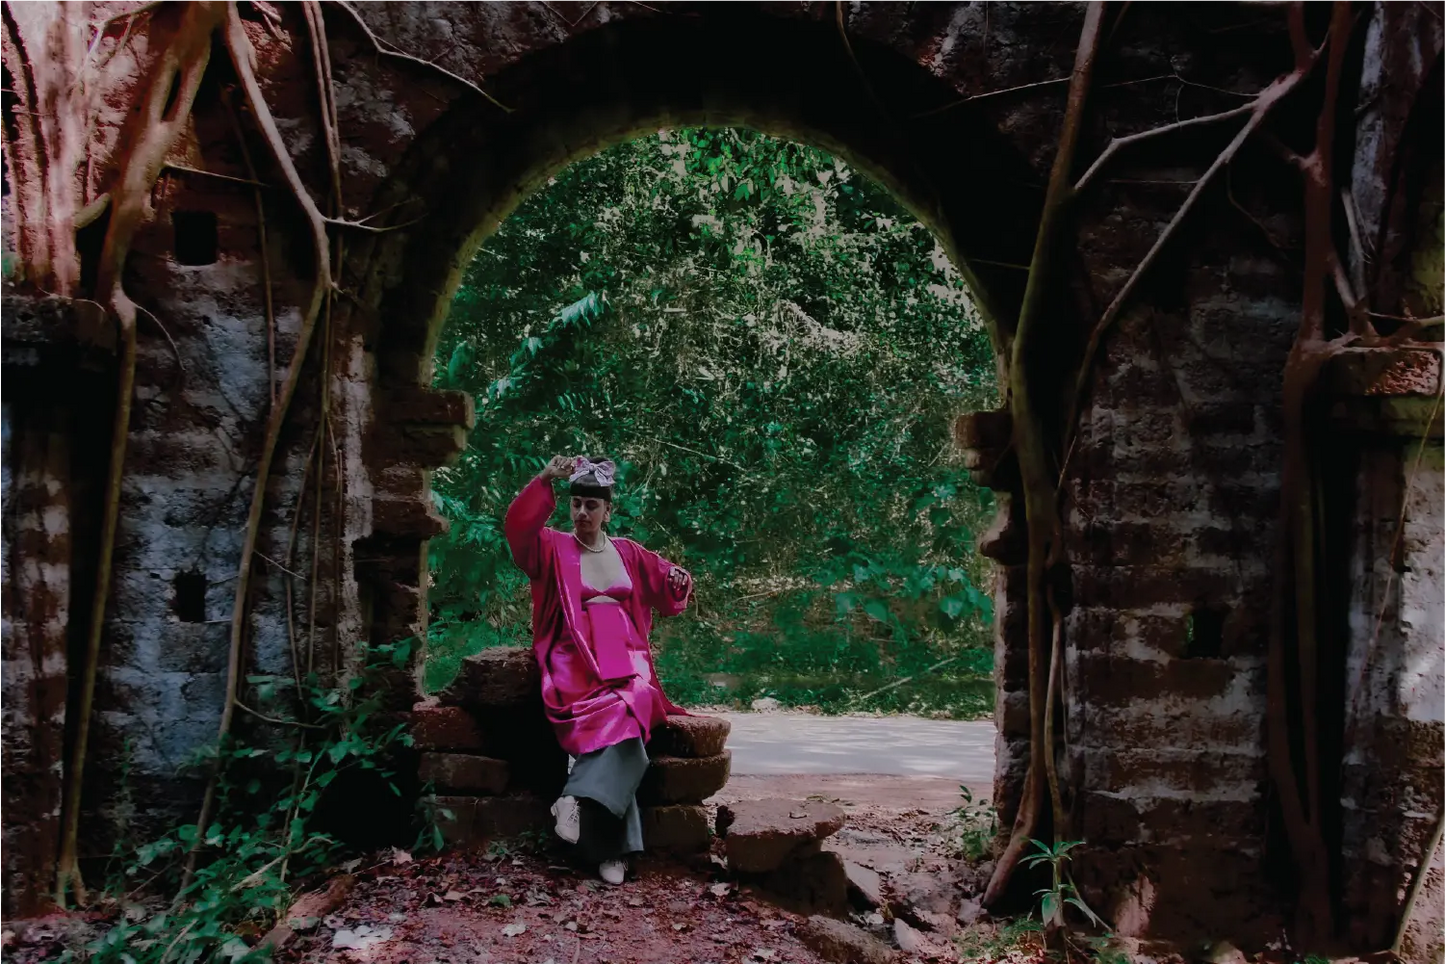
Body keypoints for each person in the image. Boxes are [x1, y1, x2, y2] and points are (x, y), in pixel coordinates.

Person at [504, 454, 693, 884]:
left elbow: (668, 586)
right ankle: (615, 852)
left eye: (592, 505)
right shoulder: (552, 547)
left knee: (637, 701)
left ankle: (573, 799)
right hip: (575, 658)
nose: (583, 513)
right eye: (577, 504)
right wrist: (545, 478)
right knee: (626, 730)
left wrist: (679, 580)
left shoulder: (628, 552)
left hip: (626, 658)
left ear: (609, 509)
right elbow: (517, 532)